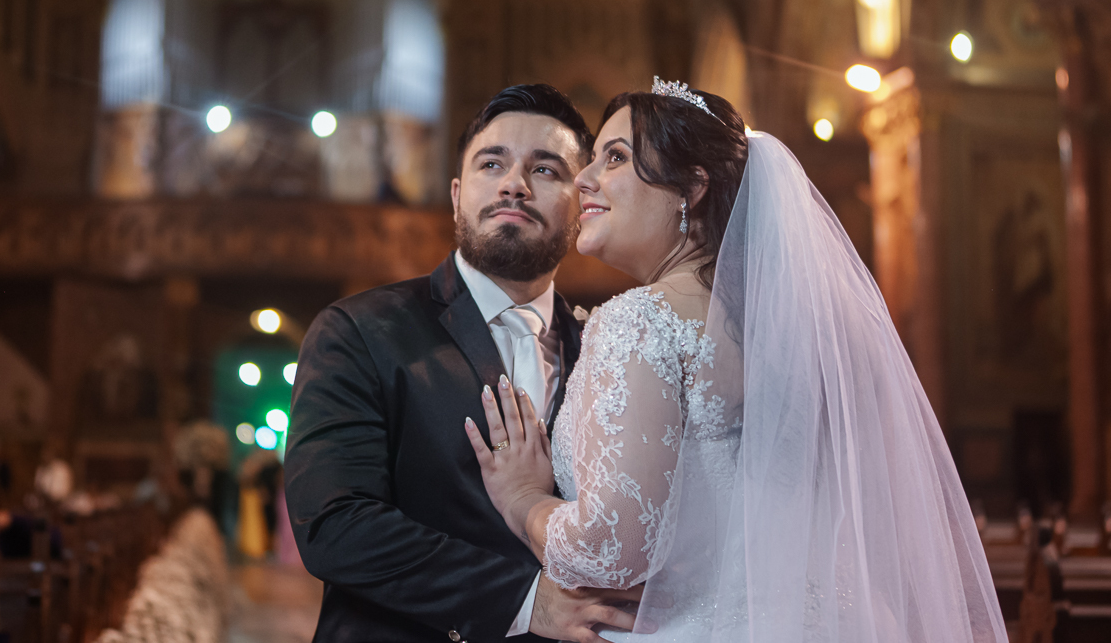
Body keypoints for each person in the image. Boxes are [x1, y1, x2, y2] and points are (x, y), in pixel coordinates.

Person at [467, 79, 1008, 642]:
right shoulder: (798, 331)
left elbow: (610, 549)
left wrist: (524, 499)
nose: (584, 178)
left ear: (692, 188)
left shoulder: (640, 322)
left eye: (617, 157)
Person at [286, 84, 642, 643]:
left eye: (546, 170)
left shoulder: (610, 350)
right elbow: (335, 524)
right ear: (456, 196)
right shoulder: (359, 330)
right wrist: (524, 601)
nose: (513, 184)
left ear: (582, 202)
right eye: (491, 163)